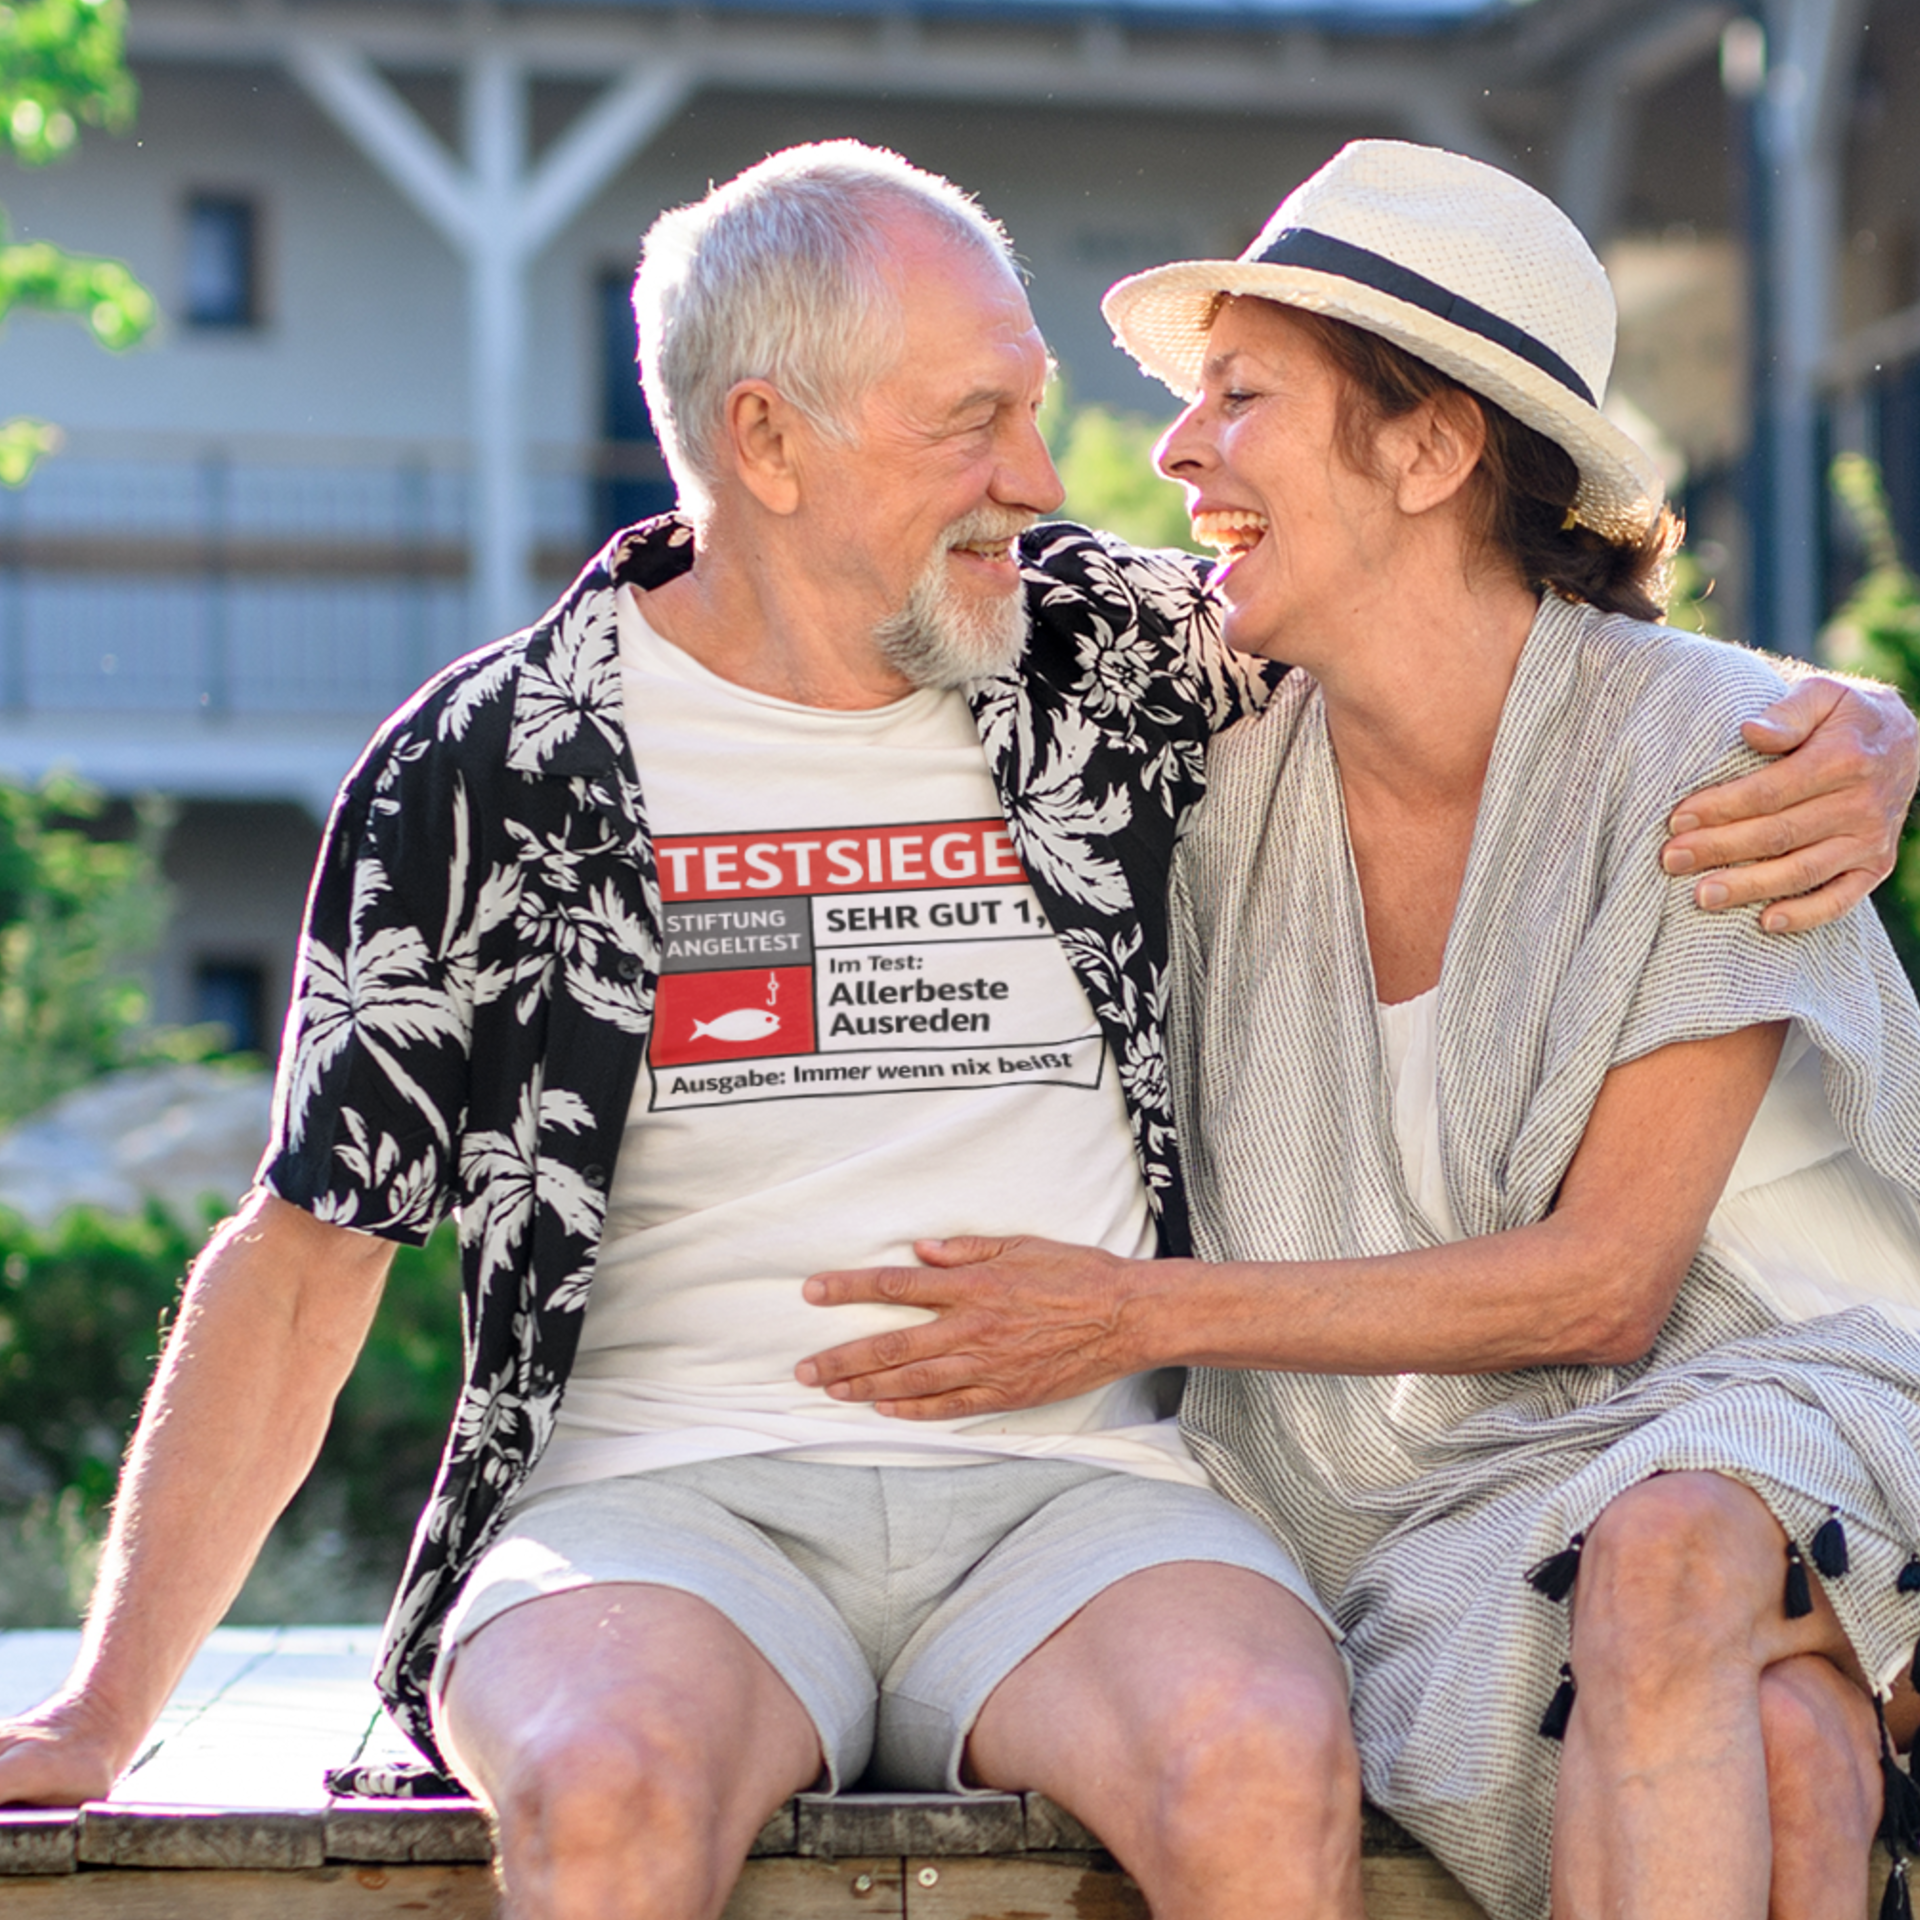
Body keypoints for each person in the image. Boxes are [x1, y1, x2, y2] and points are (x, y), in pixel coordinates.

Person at [0, 140, 1910, 1920]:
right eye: (974, 420)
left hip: (1083, 1501)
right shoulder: (494, 771)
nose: (1048, 475)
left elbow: (1479, 635)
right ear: (768, 439)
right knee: (607, 1787)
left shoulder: (1110, 666)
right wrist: (98, 1713)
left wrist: (1865, 734)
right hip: (664, 1502)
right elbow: (307, 1252)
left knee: (1263, 1758)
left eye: (1033, 407)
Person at [795, 141, 1920, 1920]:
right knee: (1788, 1746)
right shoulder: (1203, 757)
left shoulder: (1713, 763)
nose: (1176, 450)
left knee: (1671, 1557)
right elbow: (831, 592)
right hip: (1432, 1497)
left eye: (1243, 396)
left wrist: (1128, 1313)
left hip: (1794, 1390)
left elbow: (1606, 1288)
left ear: (1429, 448)